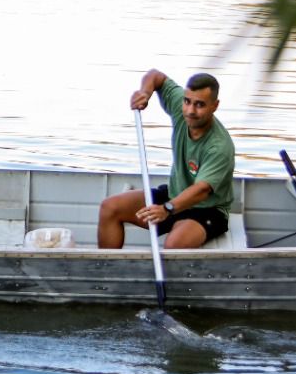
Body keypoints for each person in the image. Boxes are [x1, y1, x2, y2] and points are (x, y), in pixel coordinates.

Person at [99, 69, 235, 249]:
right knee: (110, 207)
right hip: (174, 194)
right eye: (187, 101)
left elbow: (201, 191)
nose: (190, 111)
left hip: (207, 209)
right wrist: (145, 94)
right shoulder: (182, 109)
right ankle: (106, 272)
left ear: (214, 106)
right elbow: (155, 76)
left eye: (200, 105)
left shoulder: (219, 146)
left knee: (174, 245)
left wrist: (167, 209)